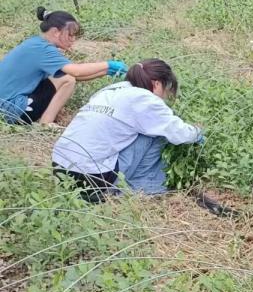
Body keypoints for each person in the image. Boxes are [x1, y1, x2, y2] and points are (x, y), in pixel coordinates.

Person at [51, 59, 203, 202]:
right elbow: (179, 133)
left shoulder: (110, 90)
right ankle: (146, 187)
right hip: (92, 178)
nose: (164, 96)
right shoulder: (146, 98)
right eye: (166, 89)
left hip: (60, 170)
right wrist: (199, 133)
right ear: (157, 84)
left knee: (144, 128)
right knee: (157, 134)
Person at [0, 7, 127, 125]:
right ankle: (46, 123)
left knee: (66, 77)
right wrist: (108, 64)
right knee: (68, 80)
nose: (73, 39)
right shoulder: (43, 49)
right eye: (70, 34)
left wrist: (106, 71)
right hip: (13, 111)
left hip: (5, 108)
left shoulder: (35, 43)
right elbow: (76, 72)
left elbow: (74, 75)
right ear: (56, 32)